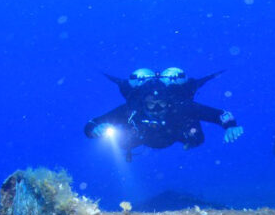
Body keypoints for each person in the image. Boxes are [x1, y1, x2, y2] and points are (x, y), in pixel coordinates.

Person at [85, 67, 244, 161]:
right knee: (122, 142)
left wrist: (230, 126)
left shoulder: (182, 107)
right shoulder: (130, 110)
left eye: (161, 104)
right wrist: (95, 130)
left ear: (168, 103)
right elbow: (91, 124)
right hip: (140, 138)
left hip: (177, 135)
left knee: (197, 138)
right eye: (151, 104)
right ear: (143, 103)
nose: (156, 109)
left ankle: (189, 140)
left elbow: (221, 114)